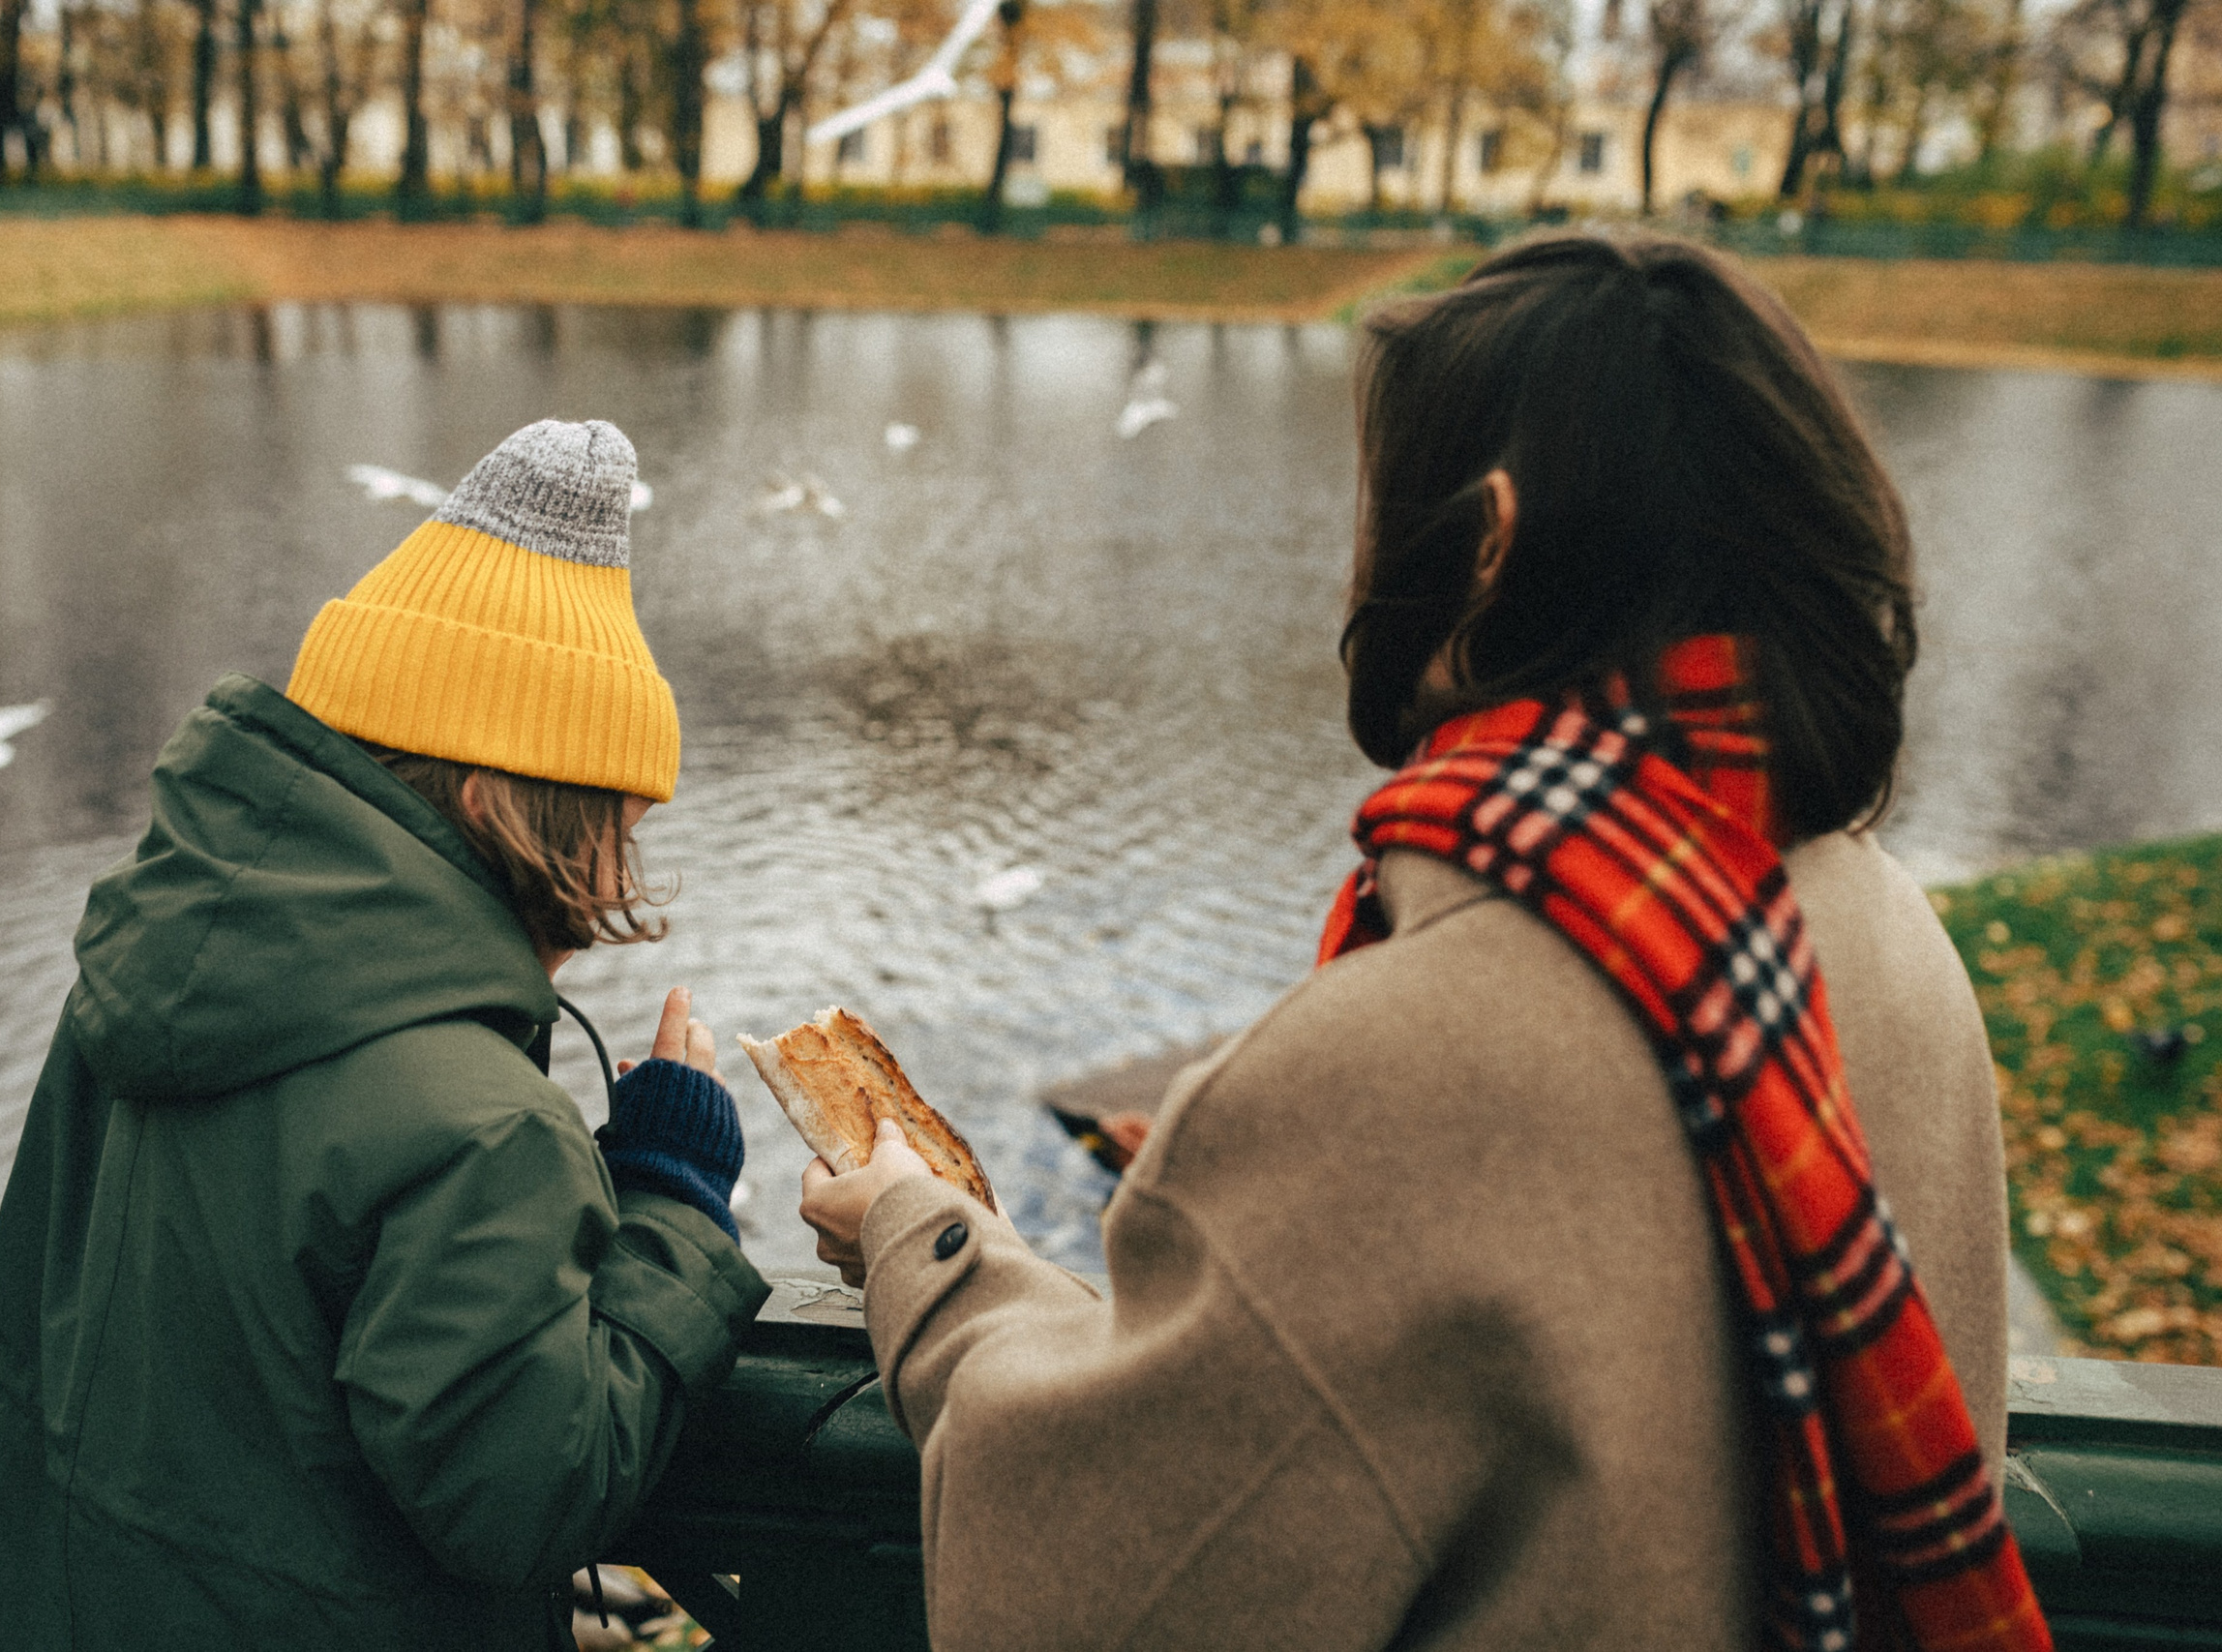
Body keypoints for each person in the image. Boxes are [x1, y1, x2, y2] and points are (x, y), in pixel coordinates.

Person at [801, 235, 2052, 1651]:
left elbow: (1077, 1600)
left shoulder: (1393, 1066)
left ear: (1489, 537)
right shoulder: (1888, 931)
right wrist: (1250, 1209)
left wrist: (932, 1245)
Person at [0, 420, 769, 1651]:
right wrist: (674, 1195)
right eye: (620, 817)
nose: (627, 863)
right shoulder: (480, 1124)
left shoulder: (139, 982)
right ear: (502, 805)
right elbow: (529, 1500)